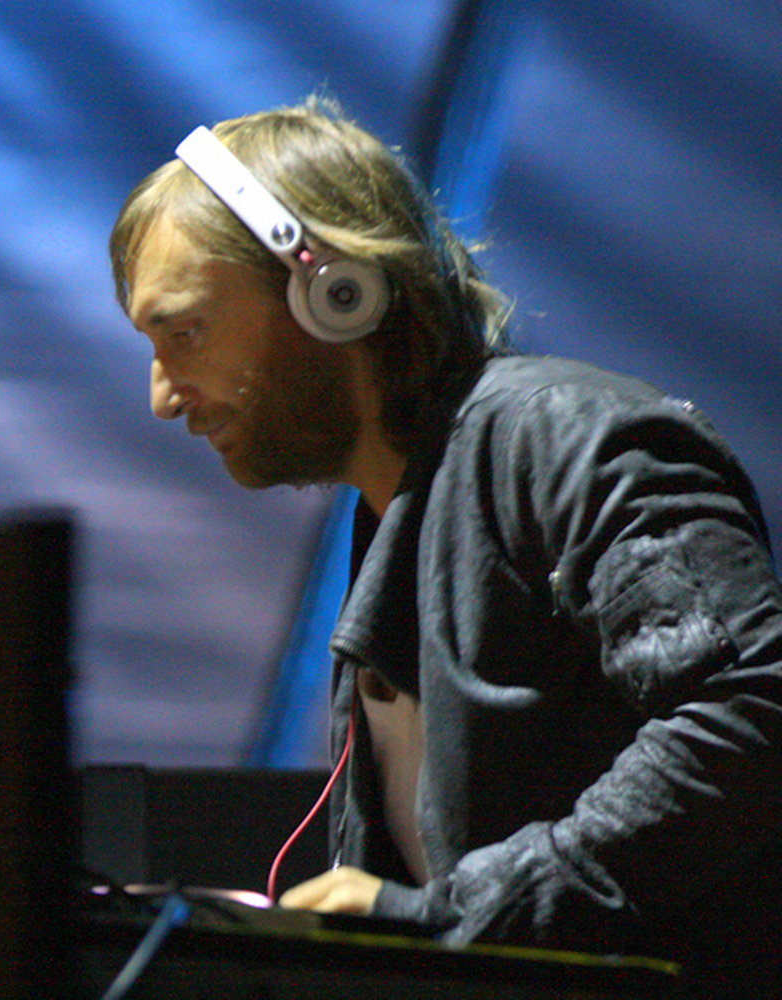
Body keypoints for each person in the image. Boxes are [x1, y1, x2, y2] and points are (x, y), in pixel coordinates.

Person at [109, 98, 782, 998]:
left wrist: (454, 920)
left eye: (184, 331)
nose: (162, 395)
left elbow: (751, 709)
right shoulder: (403, 510)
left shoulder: (565, 438)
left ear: (332, 292)